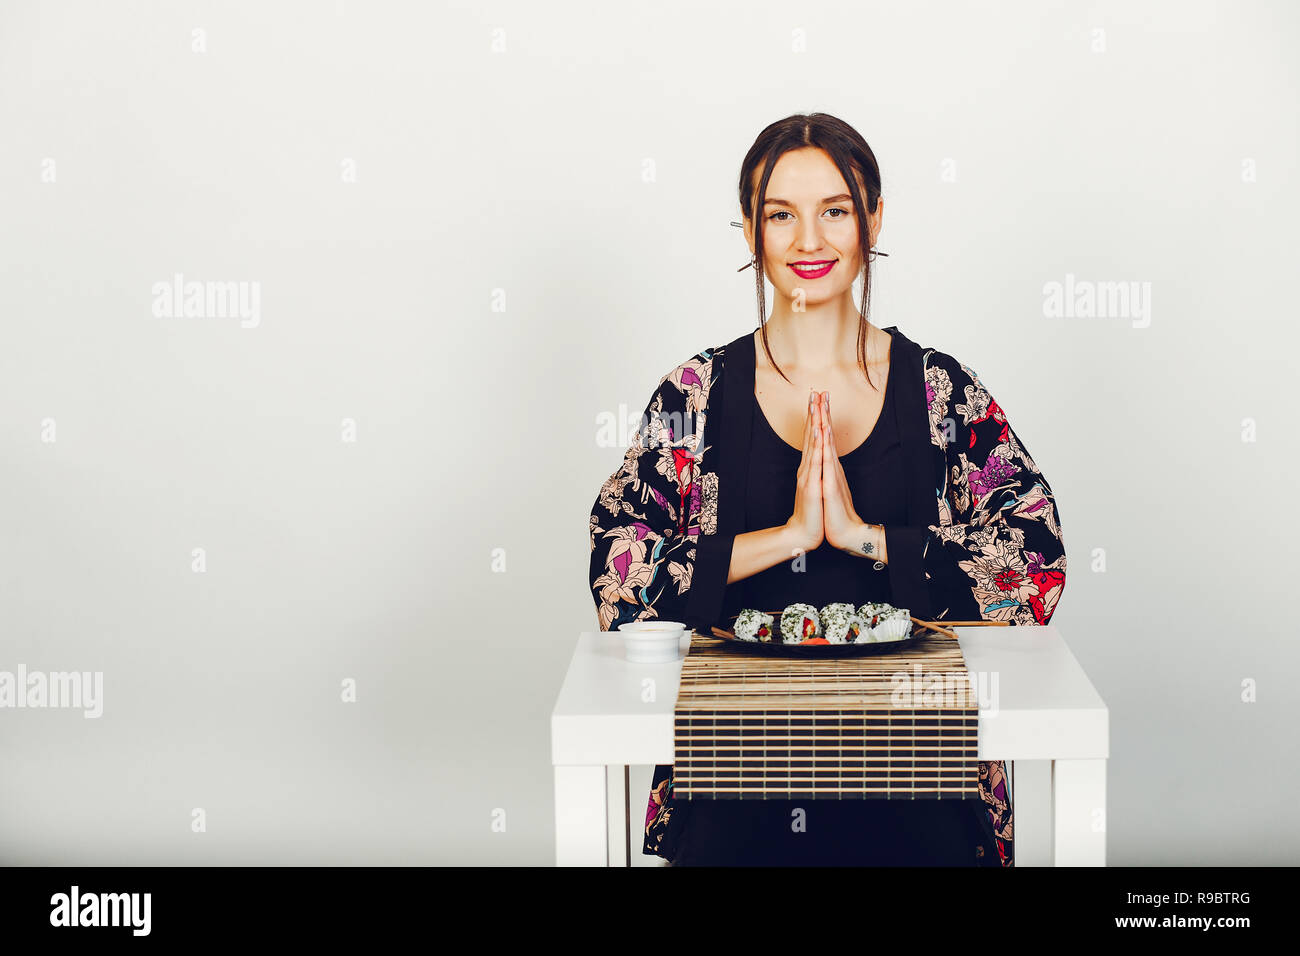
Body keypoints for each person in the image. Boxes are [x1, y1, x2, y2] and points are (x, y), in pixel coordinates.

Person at [588, 113, 1066, 866]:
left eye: (834, 210)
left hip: (921, 772)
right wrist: (785, 538)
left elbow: (1034, 564)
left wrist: (861, 538)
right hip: (733, 772)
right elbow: (620, 575)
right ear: (750, 229)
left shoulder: (940, 390)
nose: (810, 241)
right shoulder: (695, 392)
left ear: (873, 217)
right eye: (782, 214)